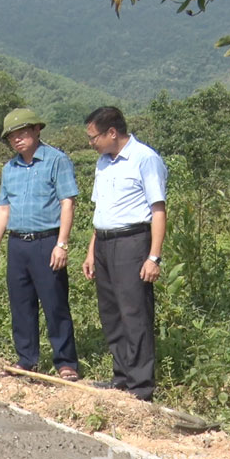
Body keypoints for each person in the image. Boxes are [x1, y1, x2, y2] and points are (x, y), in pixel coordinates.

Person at [0, 108, 80, 381]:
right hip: (18, 244)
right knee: (21, 304)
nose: (17, 139)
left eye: (23, 132)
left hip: (46, 241)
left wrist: (62, 244)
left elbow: (67, 203)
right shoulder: (9, 168)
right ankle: (27, 361)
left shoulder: (56, 160)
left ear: (37, 130)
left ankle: (66, 362)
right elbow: (3, 208)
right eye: (12, 136)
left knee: (55, 303)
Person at [81, 107, 167, 402]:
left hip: (132, 242)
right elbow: (101, 210)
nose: (91, 143)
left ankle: (141, 385)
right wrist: (92, 251)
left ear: (112, 133)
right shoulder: (103, 163)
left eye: (94, 137)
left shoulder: (145, 159)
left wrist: (153, 257)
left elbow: (158, 210)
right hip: (104, 242)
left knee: (134, 312)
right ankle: (122, 376)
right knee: (111, 311)